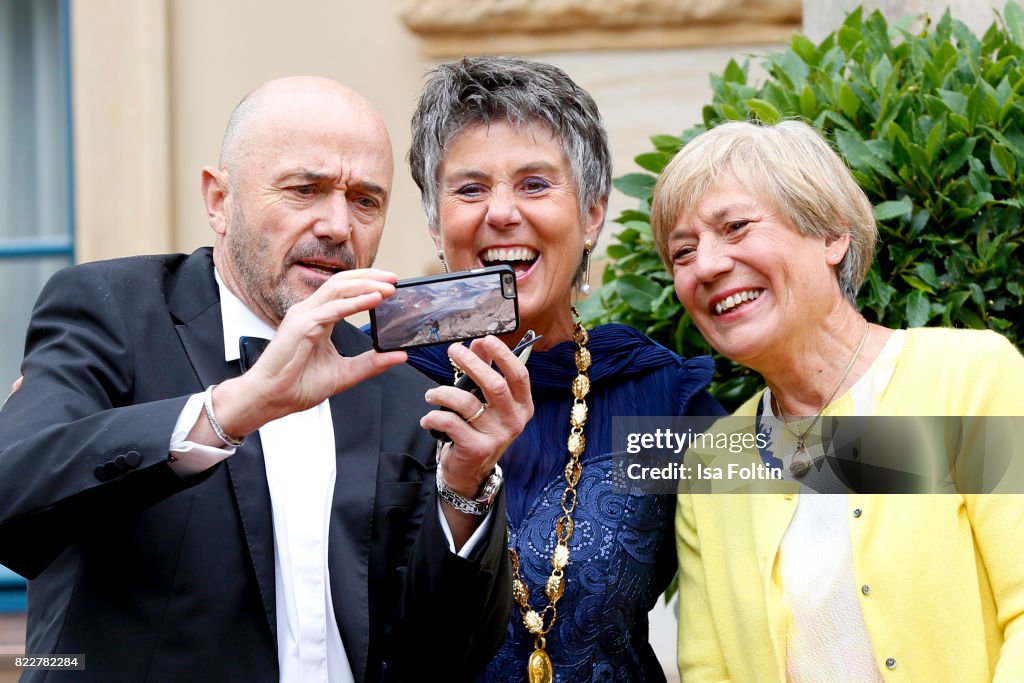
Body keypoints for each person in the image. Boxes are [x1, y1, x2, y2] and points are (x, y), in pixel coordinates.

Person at [0, 76, 534, 683]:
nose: (337, 225)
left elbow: (440, 658)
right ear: (219, 200)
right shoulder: (113, 310)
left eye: (365, 201)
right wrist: (231, 410)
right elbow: (10, 496)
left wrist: (464, 487)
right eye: (305, 189)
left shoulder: (398, 383)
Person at [650, 119, 1024, 681]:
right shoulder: (715, 461)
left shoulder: (968, 377)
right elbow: (708, 670)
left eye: (736, 227)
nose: (706, 265)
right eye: (683, 251)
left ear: (831, 236)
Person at [406, 56, 723, 682]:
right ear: (436, 223)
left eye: (534, 184)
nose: (500, 213)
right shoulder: (372, 382)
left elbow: (862, 475)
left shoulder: (653, 399)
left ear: (594, 214)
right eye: (470, 189)